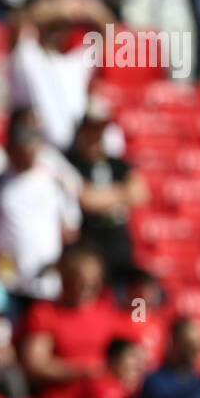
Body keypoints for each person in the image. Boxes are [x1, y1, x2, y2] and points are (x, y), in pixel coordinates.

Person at [0, 110, 82, 302]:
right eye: (20, 150)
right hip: (4, 279)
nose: (25, 156)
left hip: (44, 281)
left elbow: (71, 226)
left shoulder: (54, 177)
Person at [19, 245, 124, 398]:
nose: (86, 287)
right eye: (80, 280)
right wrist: (84, 371)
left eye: (92, 282)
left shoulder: (107, 309)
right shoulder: (45, 313)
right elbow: (35, 364)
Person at [7, 0, 112, 153]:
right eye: (53, 25)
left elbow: (110, 33)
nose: (57, 31)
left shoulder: (73, 63)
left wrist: (87, 7)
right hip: (37, 154)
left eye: (63, 26)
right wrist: (57, 9)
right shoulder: (27, 56)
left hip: (73, 153)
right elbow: (19, 20)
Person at [64, 101, 149, 285]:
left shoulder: (118, 164)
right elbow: (86, 199)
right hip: (88, 257)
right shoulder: (71, 164)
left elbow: (140, 194)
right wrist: (120, 194)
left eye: (100, 128)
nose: (95, 134)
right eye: (91, 128)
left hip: (119, 255)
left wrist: (101, 196)